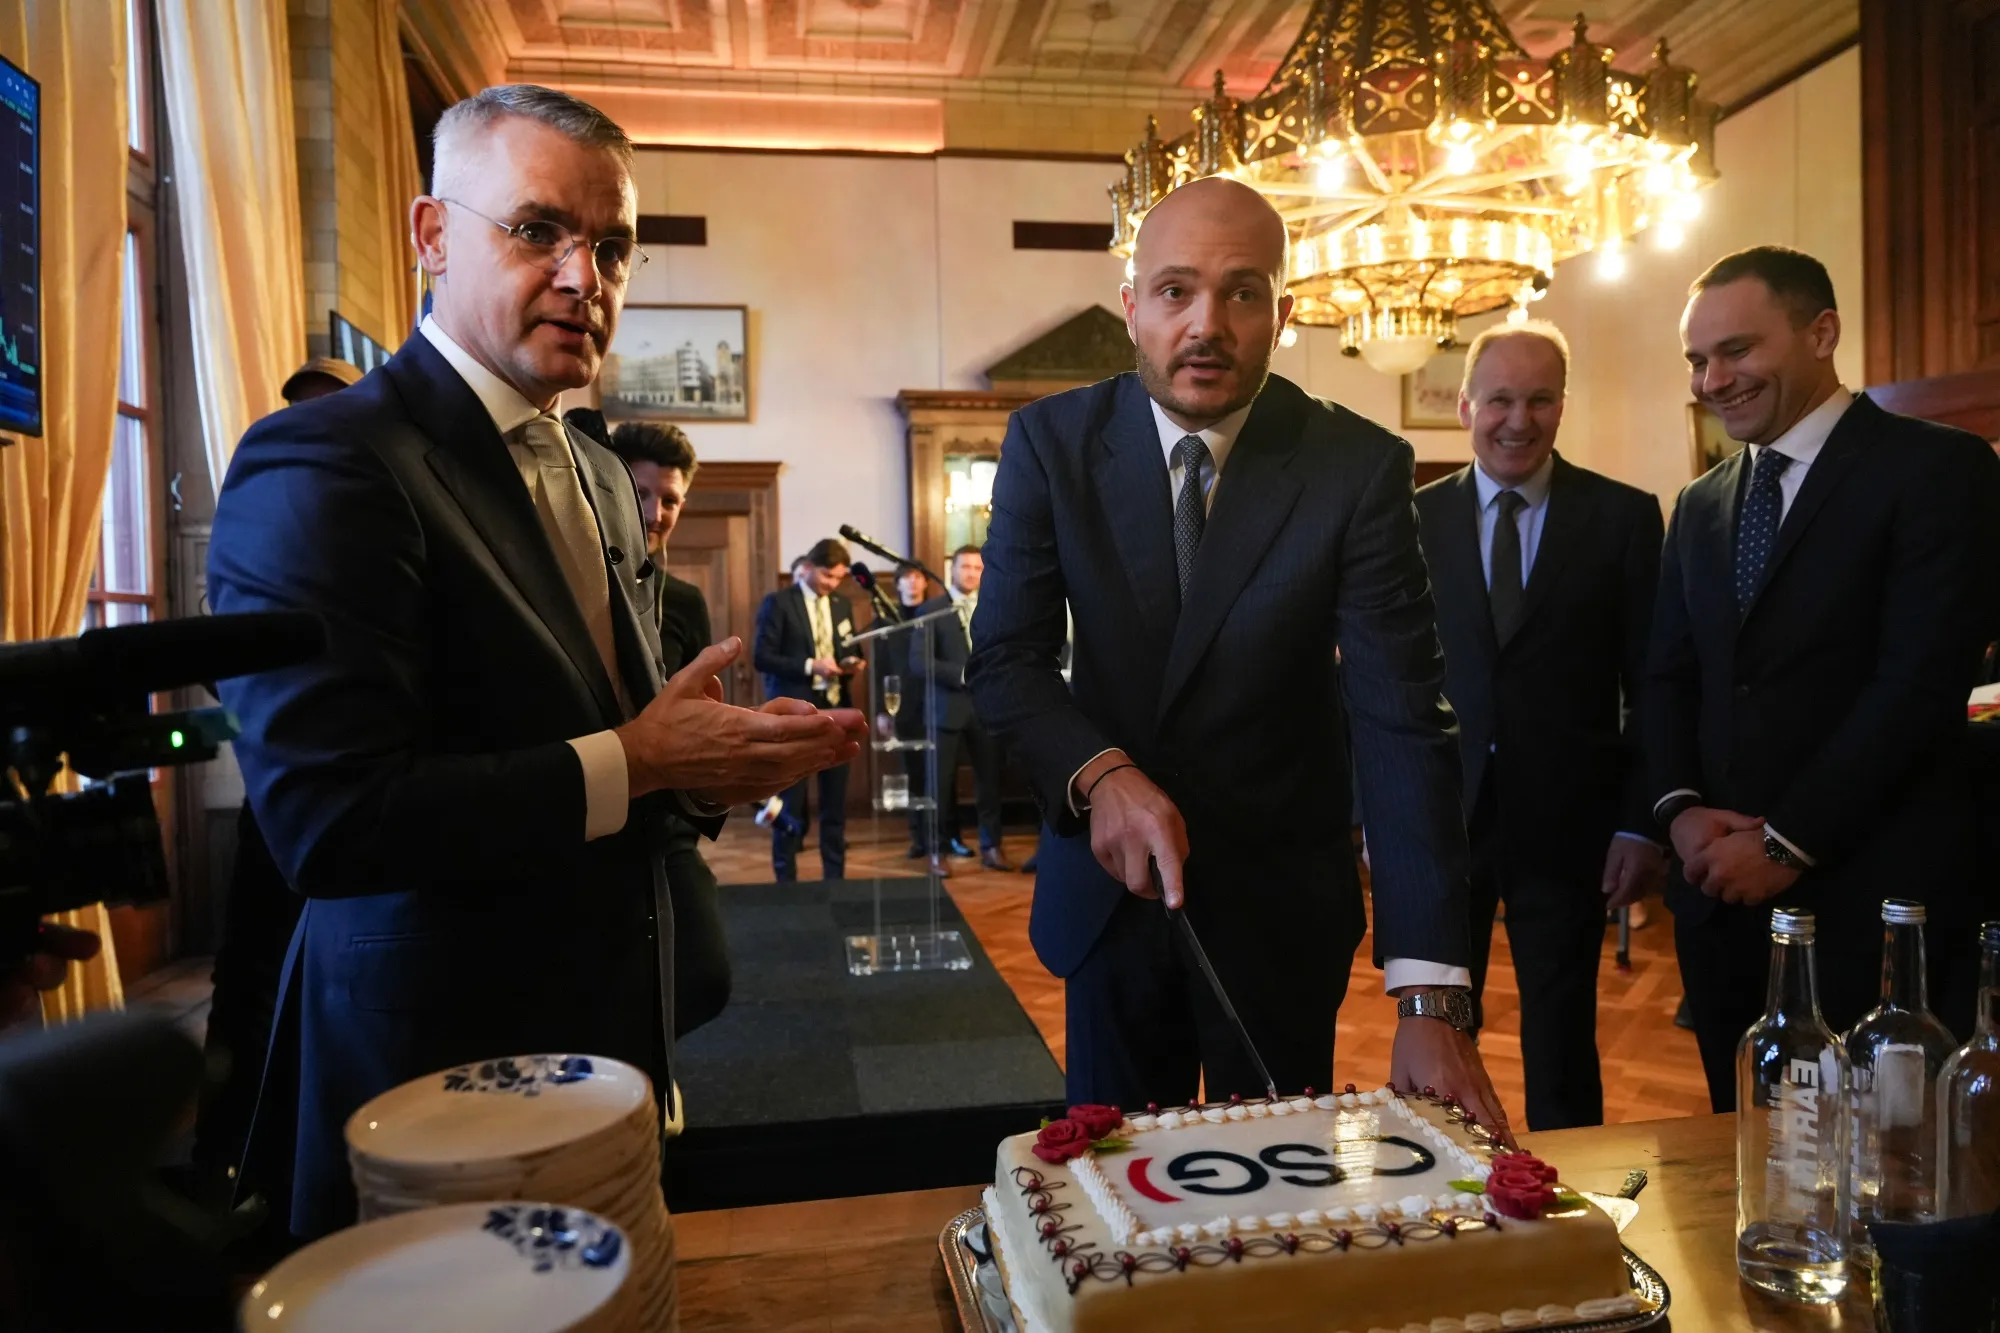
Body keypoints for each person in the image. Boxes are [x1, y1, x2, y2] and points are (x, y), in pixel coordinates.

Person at [207, 84, 863, 1238]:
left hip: (615, 1029)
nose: (582, 276)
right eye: (536, 230)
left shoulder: (600, 471)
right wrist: (642, 757)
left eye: (611, 246)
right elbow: (331, 821)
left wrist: (709, 762)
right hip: (435, 1067)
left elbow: (612, 729)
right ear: (431, 235)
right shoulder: (328, 459)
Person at [967, 175, 1509, 1131]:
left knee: (1281, 1189)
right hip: (1109, 898)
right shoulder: (1050, 443)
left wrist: (1430, 994)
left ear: (1283, 316)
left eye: (1243, 292)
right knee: (1115, 1190)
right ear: (1132, 307)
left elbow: (1403, 718)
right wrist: (1100, 772)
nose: (1206, 325)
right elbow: (1007, 658)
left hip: (1281, 910)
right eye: (1175, 291)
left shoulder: (1356, 467)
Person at [1647, 245, 2000, 1111]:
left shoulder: (1939, 468)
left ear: (1822, 332)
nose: (1713, 379)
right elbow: (1670, 675)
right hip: (1721, 905)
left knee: (1886, 1157)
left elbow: (1918, 683)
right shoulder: (1700, 503)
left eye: (1736, 350)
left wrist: (1785, 843)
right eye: (1697, 359)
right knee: (1746, 1144)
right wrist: (1681, 812)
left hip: (1876, 901)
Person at [1412, 321, 1665, 1131]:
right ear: (1465, 406)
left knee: (1562, 1035)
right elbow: (1378, 679)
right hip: (1443, 823)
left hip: (1569, 824)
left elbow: (1653, 684)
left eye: (1539, 400)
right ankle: (1445, 1174)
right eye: (1500, 400)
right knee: (1438, 1028)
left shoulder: (1624, 518)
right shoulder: (1411, 519)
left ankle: (1566, 1187)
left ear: (1562, 405)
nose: (1518, 420)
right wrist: (1376, 815)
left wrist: (1640, 821)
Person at [194, 355, 365, 1191]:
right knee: (249, 971)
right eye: (300, 410)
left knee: (340, 977)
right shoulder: (257, 507)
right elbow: (216, 642)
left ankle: (315, 1159)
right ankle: (220, 1153)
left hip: (365, 792)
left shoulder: (379, 510)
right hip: (277, 789)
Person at [608, 419, 730, 1037]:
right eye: (641, 493)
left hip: (665, 820)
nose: (656, 514)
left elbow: (699, 714)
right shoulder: (570, 587)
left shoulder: (683, 600)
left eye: (671, 500)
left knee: (703, 977)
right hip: (589, 808)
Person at [753, 538, 861, 881]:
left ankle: (836, 881)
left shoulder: (842, 604)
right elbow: (762, 657)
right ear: (810, 567)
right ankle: (787, 884)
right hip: (795, 717)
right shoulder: (780, 602)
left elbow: (848, 644)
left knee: (834, 806)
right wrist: (810, 665)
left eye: (839, 577)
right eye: (828, 575)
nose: (833, 583)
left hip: (836, 714)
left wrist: (852, 662)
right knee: (790, 804)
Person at [914, 545, 1014, 873]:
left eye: (977, 568)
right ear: (952, 570)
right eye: (965, 567)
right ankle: (937, 850)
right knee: (939, 785)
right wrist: (962, 674)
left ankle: (992, 846)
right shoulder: (931, 609)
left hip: (987, 709)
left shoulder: (994, 606)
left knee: (990, 782)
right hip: (945, 709)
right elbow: (919, 662)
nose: (971, 573)